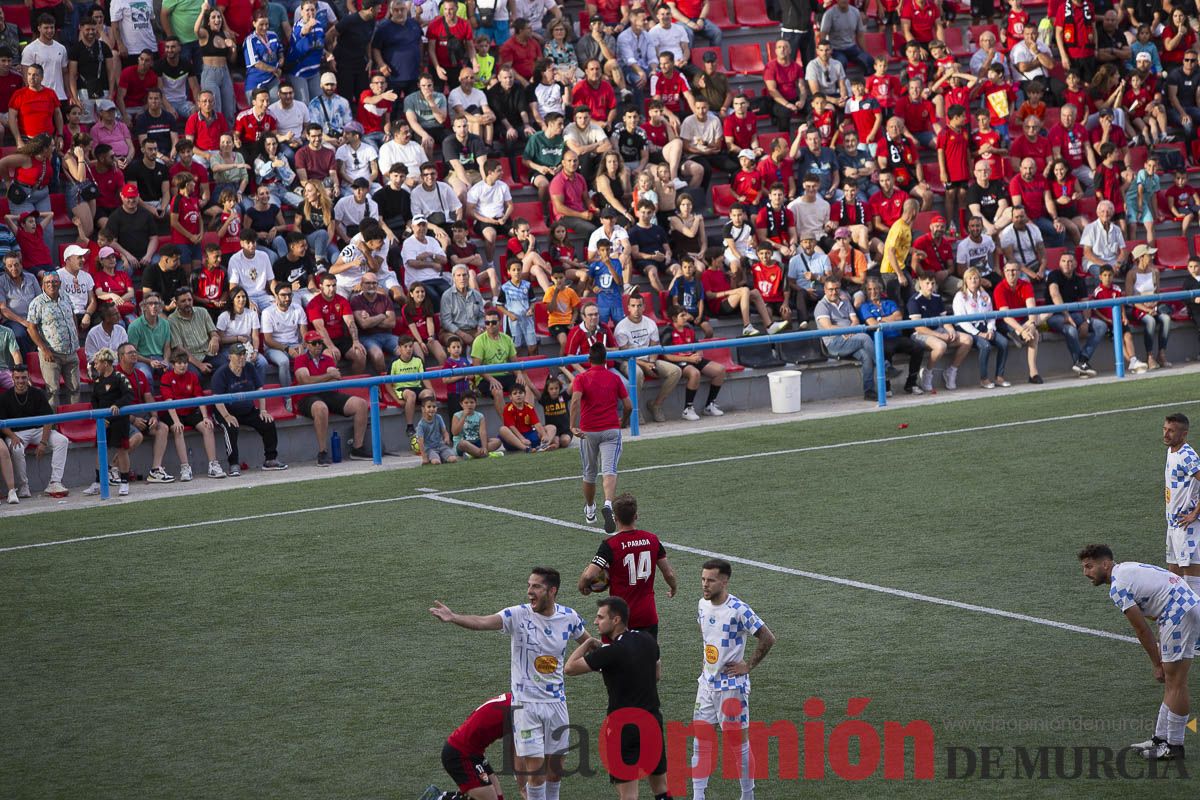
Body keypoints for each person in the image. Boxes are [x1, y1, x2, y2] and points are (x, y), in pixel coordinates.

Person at [429, 568, 590, 800]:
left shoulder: (569, 617)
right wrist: (454, 617)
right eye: (528, 585)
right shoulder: (518, 615)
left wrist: (610, 653)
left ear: (552, 590)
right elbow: (484, 622)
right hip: (526, 706)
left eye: (536, 587)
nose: (529, 592)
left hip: (556, 703)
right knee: (536, 774)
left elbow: (588, 642)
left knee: (555, 774)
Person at [1079, 544, 1198, 762]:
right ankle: (1161, 739)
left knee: (1176, 682)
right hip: (1182, 608)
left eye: (1089, 566)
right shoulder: (1125, 569)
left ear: (1105, 564)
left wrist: (1156, 664)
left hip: (1178, 612)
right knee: (1174, 682)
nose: (1086, 573)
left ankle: (1175, 746)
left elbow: (1141, 629)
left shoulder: (1118, 586)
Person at [564, 596, 669, 799]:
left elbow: (570, 668)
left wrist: (588, 643)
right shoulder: (648, 640)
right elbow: (657, 675)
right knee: (661, 788)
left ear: (616, 620)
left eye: (600, 617)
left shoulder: (610, 653)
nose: (595, 622)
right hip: (652, 721)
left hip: (623, 727)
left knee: (629, 794)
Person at [690, 559, 776, 800]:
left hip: (731, 687)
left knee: (738, 744)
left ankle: (747, 795)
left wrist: (747, 666)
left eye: (711, 580)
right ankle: (698, 796)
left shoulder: (738, 609)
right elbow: (707, 636)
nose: (705, 585)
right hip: (706, 684)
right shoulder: (702, 605)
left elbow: (767, 638)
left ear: (724, 581)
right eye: (703, 579)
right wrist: (706, 664)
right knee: (700, 740)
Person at [577, 492, 678, 638]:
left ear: (615, 518)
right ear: (636, 516)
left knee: (613, 659)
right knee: (647, 659)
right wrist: (673, 587)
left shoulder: (610, 545)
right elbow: (668, 573)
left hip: (619, 617)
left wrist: (582, 587)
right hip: (647, 615)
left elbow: (589, 574)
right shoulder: (652, 540)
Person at [569, 342, 632, 532]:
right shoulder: (614, 379)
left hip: (588, 431)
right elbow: (628, 405)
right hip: (611, 429)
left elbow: (575, 401)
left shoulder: (581, 378)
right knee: (609, 470)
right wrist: (623, 421)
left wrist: (572, 425)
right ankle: (607, 504)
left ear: (589, 360)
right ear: (606, 359)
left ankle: (590, 508)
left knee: (589, 472)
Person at [292, 330, 371, 466]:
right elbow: (305, 381)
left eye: (320, 342)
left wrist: (319, 379)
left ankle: (357, 448)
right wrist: (327, 377)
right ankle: (322, 452)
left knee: (361, 404)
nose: (318, 346)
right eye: (315, 343)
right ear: (307, 345)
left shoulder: (327, 359)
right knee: (321, 408)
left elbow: (336, 378)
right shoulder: (300, 359)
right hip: (306, 396)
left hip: (328, 393)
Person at [211, 342, 288, 475]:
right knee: (231, 427)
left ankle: (270, 459)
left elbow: (260, 390)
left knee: (267, 422)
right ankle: (233, 464)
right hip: (224, 411)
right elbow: (217, 399)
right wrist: (227, 416)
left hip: (247, 410)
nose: (242, 358)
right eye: (238, 355)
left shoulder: (249, 368)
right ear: (230, 357)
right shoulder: (221, 373)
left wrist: (263, 410)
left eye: (243, 354)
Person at [0, 363, 69, 497]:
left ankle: (55, 482)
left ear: (28, 377)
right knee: (17, 448)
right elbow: (2, 424)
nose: (21, 381)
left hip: (38, 431)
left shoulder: (37, 393)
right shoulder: (4, 397)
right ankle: (23, 486)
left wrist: (43, 442)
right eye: (18, 377)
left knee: (62, 440)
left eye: (24, 378)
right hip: (16, 433)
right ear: (13, 378)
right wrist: (13, 436)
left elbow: (48, 418)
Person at [158, 347, 225, 480]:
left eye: (185, 362)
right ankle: (185, 467)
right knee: (178, 430)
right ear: (173, 364)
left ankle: (213, 465)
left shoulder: (192, 376)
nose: (182, 365)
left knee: (208, 426)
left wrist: (205, 417)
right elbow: (169, 402)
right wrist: (176, 421)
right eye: (179, 363)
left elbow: (199, 398)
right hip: (173, 413)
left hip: (190, 411)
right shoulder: (166, 377)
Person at [614, 294, 681, 423]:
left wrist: (651, 362)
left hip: (649, 359)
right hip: (629, 361)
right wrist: (645, 365)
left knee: (675, 371)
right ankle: (635, 410)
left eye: (639, 306)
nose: (636, 309)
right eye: (633, 306)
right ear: (628, 307)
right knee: (637, 373)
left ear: (644, 307)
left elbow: (655, 347)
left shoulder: (650, 323)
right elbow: (625, 354)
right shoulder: (621, 327)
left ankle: (656, 405)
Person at [440, 692, 513, 800]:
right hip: (460, 754)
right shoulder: (521, 711)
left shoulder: (512, 698)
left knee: (498, 797)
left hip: (472, 752)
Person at [815, 275, 877, 400]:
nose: (834, 292)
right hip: (834, 343)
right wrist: (847, 330)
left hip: (850, 338)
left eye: (836, 289)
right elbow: (828, 327)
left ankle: (869, 392)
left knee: (866, 355)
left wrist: (851, 330)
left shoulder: (845, 301)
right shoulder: (821, 306)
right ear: (825, 290)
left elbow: (855, 320)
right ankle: (884, 366)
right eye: (831, 289)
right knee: (865, 338)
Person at [908, 273, 972, 392]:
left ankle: (951, 371)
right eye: (927, 283)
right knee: (941, 346)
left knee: (967, 339)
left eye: (932, 283)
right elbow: (918, 328)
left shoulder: (937, 298)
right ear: (920, 283)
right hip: (920, 334)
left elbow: (945, 319)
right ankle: (927, 372)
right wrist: (940, 335)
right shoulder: (914, 300)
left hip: (938, 331)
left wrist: (951, 330)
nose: (930, 286)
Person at [26, 271, 81, 409]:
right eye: (48, 282)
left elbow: (73, 316)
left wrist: (75, 335)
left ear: (60, 283)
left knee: (75, 388)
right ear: (43, 285)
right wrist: (44, 350)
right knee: (53, 391)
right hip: (51, 354)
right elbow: (31, 329)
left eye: (54, 281)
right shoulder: (37, 303)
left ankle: (74, 421)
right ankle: (54, 426)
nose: (51, 284)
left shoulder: (66, 297)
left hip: (71, 352)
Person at [1046, 252, 1104, 377]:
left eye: (1070, 261)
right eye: (1064, 261)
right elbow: (1054, 294)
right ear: (1059, 263)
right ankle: (1080, 364)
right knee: (1071, 330)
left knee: (1100, 326)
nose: (1067, 264)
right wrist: (1066, 315)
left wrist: (1086, 322)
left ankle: (1082, 360)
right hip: (1055, 316)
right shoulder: (1054, 275)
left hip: (1075, 315)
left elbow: (1085, 303)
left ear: (1075, 264)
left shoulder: (1079, 279)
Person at [992, 261, 1043, 383]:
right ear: (1004, 272)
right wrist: (1022, 331)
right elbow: (1006, 316)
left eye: (1014, 270)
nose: (1011, 273)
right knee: (1034, 334)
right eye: (1008, 270)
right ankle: (1033, 373)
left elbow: (1031, 307)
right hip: (1005, 323)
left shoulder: (1026, 285)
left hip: (1024, 320)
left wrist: (1031, 324)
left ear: (1019, 272)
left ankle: (1033, 373)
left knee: (1048, 313)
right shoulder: (999, 288)